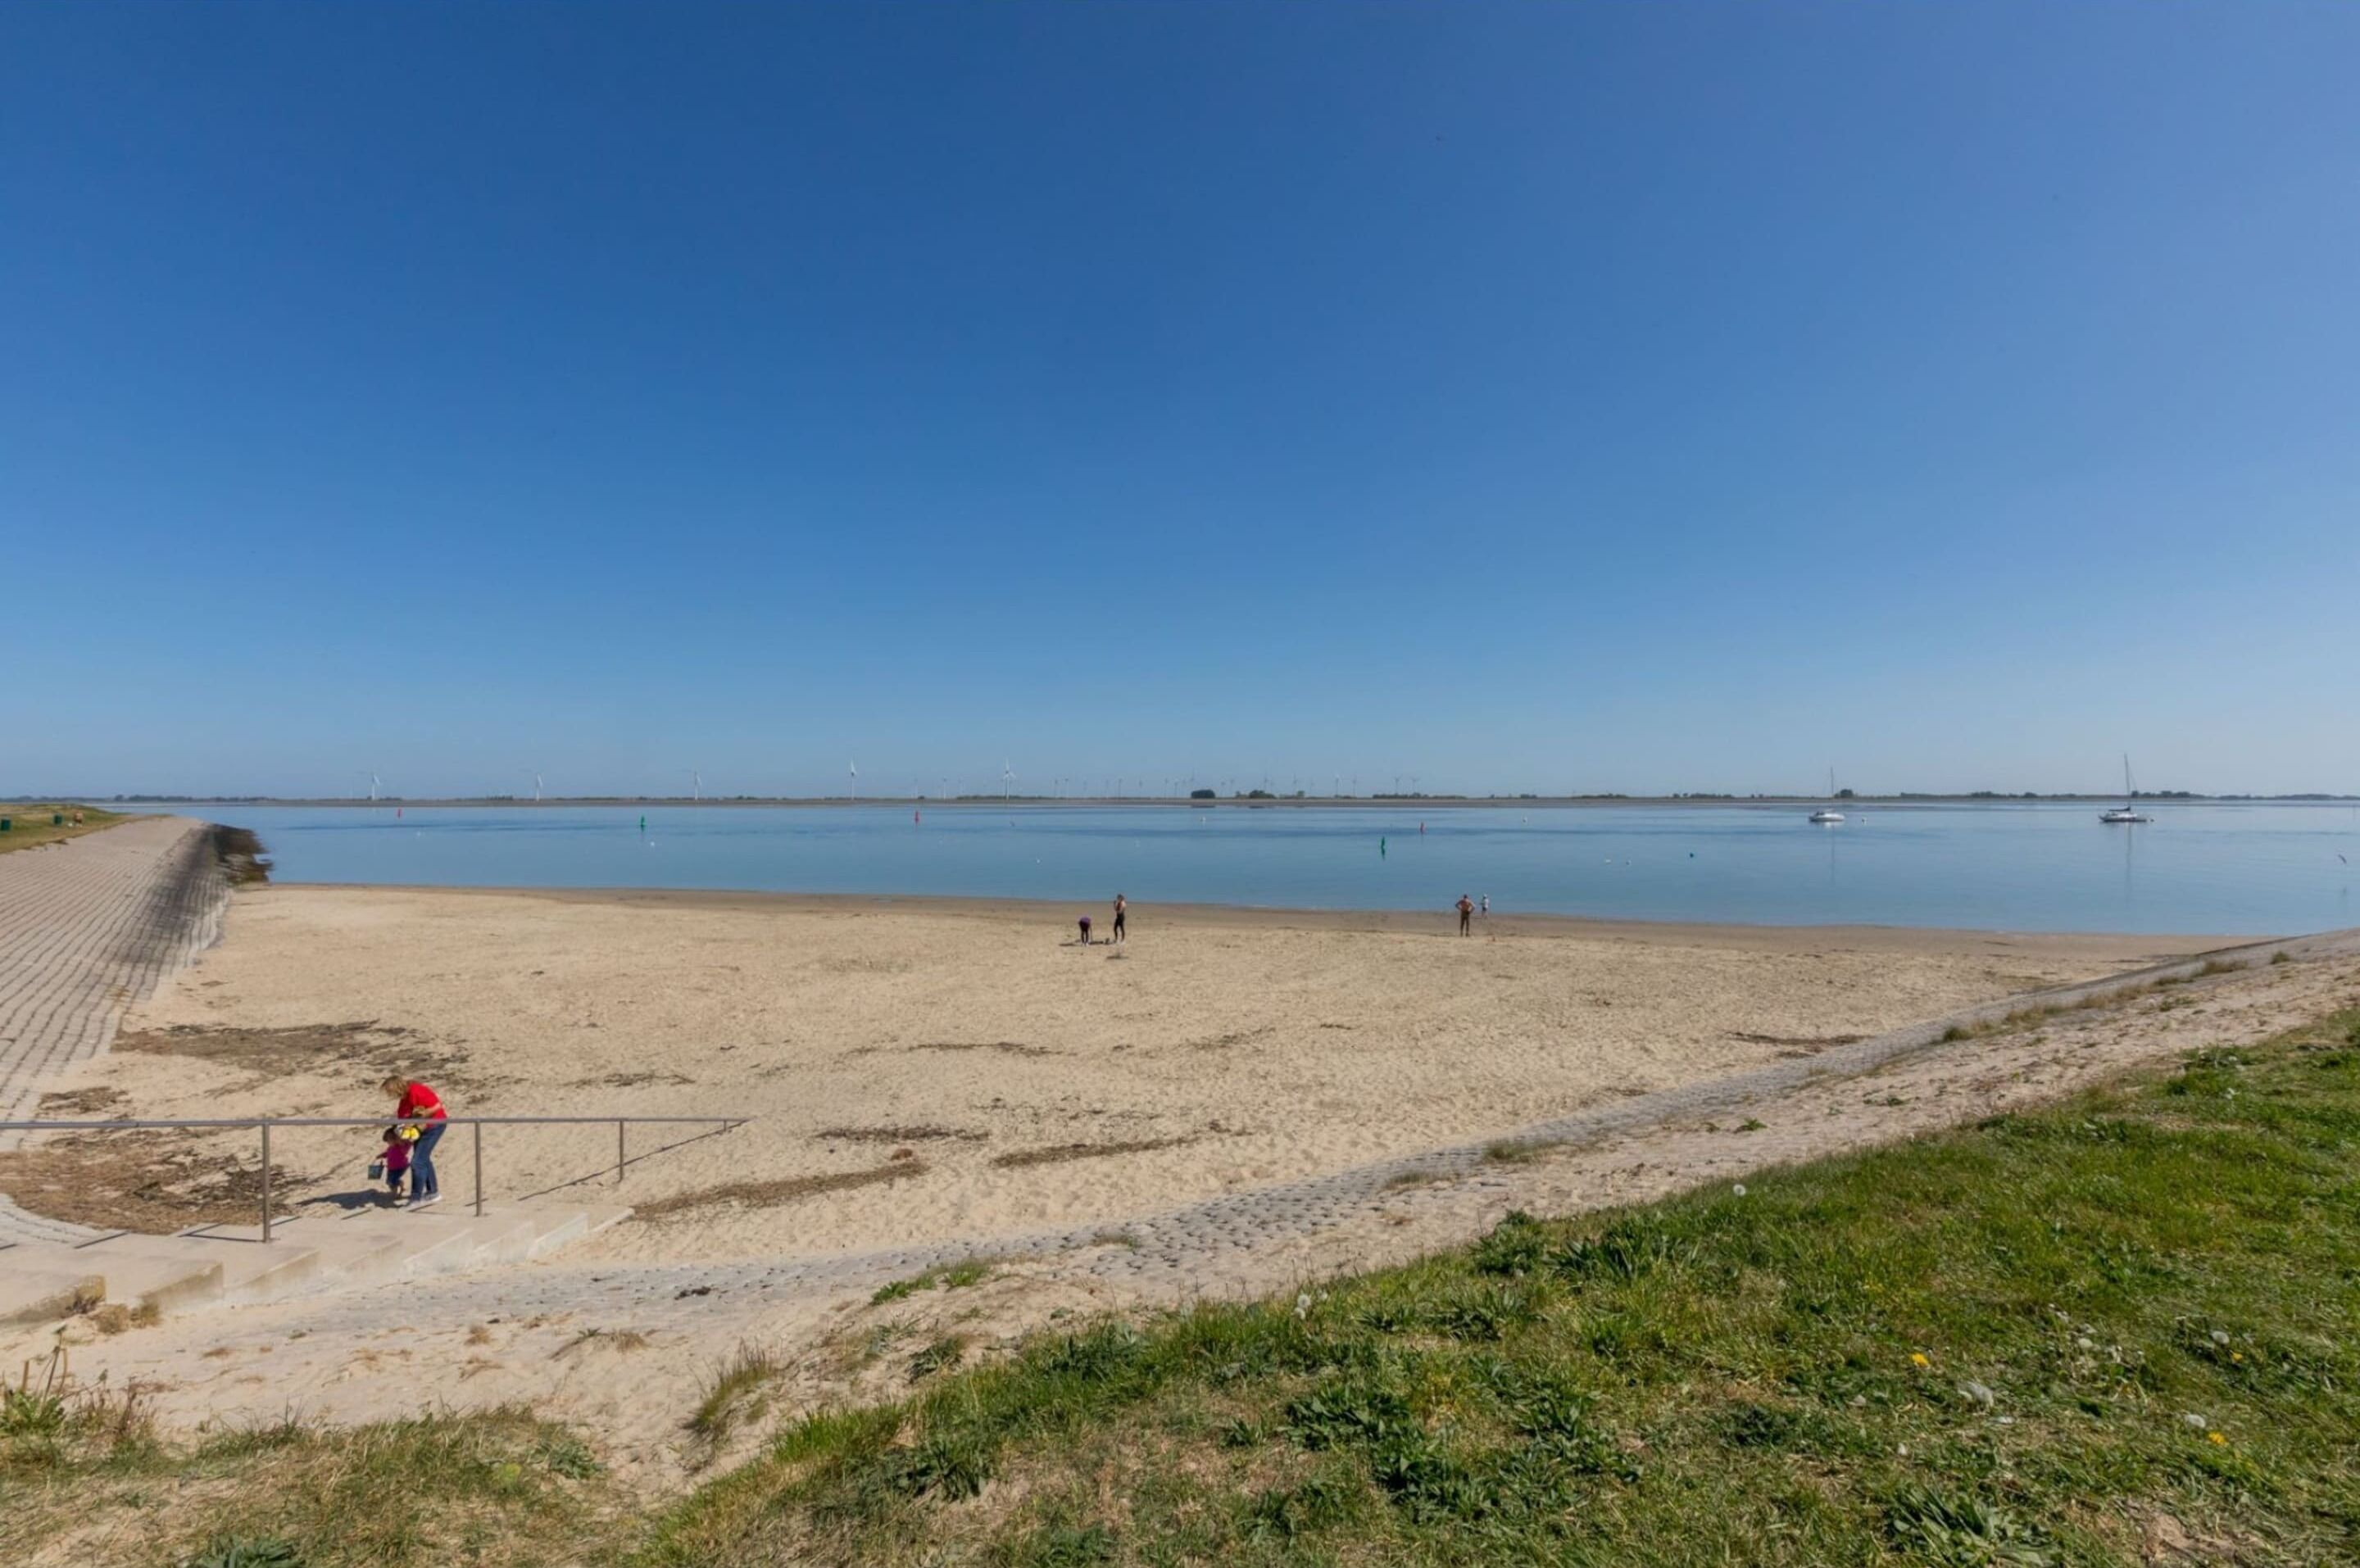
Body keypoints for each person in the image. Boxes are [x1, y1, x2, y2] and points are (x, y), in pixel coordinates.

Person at [381, 1075, 448, 1209]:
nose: (390, 1095)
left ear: (397, 1087)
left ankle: (415, 1199)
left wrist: (419, 1117)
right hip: (419, 1130)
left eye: (390, 1091)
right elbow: (403, 1118)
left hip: (434, 1126)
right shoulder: (404, 1099)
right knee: (423, 1159)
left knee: (417, 1162)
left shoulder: (416, 1090)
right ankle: (433, 1192)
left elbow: (437, 1106)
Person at [373, 1124, 415, 1202]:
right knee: (389, 1181)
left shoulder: (400, 1147)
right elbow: (388, 1154)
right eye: (387, 1141)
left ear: (396, 1139)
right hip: (391, 1168)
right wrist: (382, 1155)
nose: (388, 1142)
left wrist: (400, 1141)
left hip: (400, 1167)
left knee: (393, 1182)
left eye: (390, 1140)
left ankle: (396, 1194)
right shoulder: (390, 1148)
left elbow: (406, 1148)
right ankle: (401, 1186)